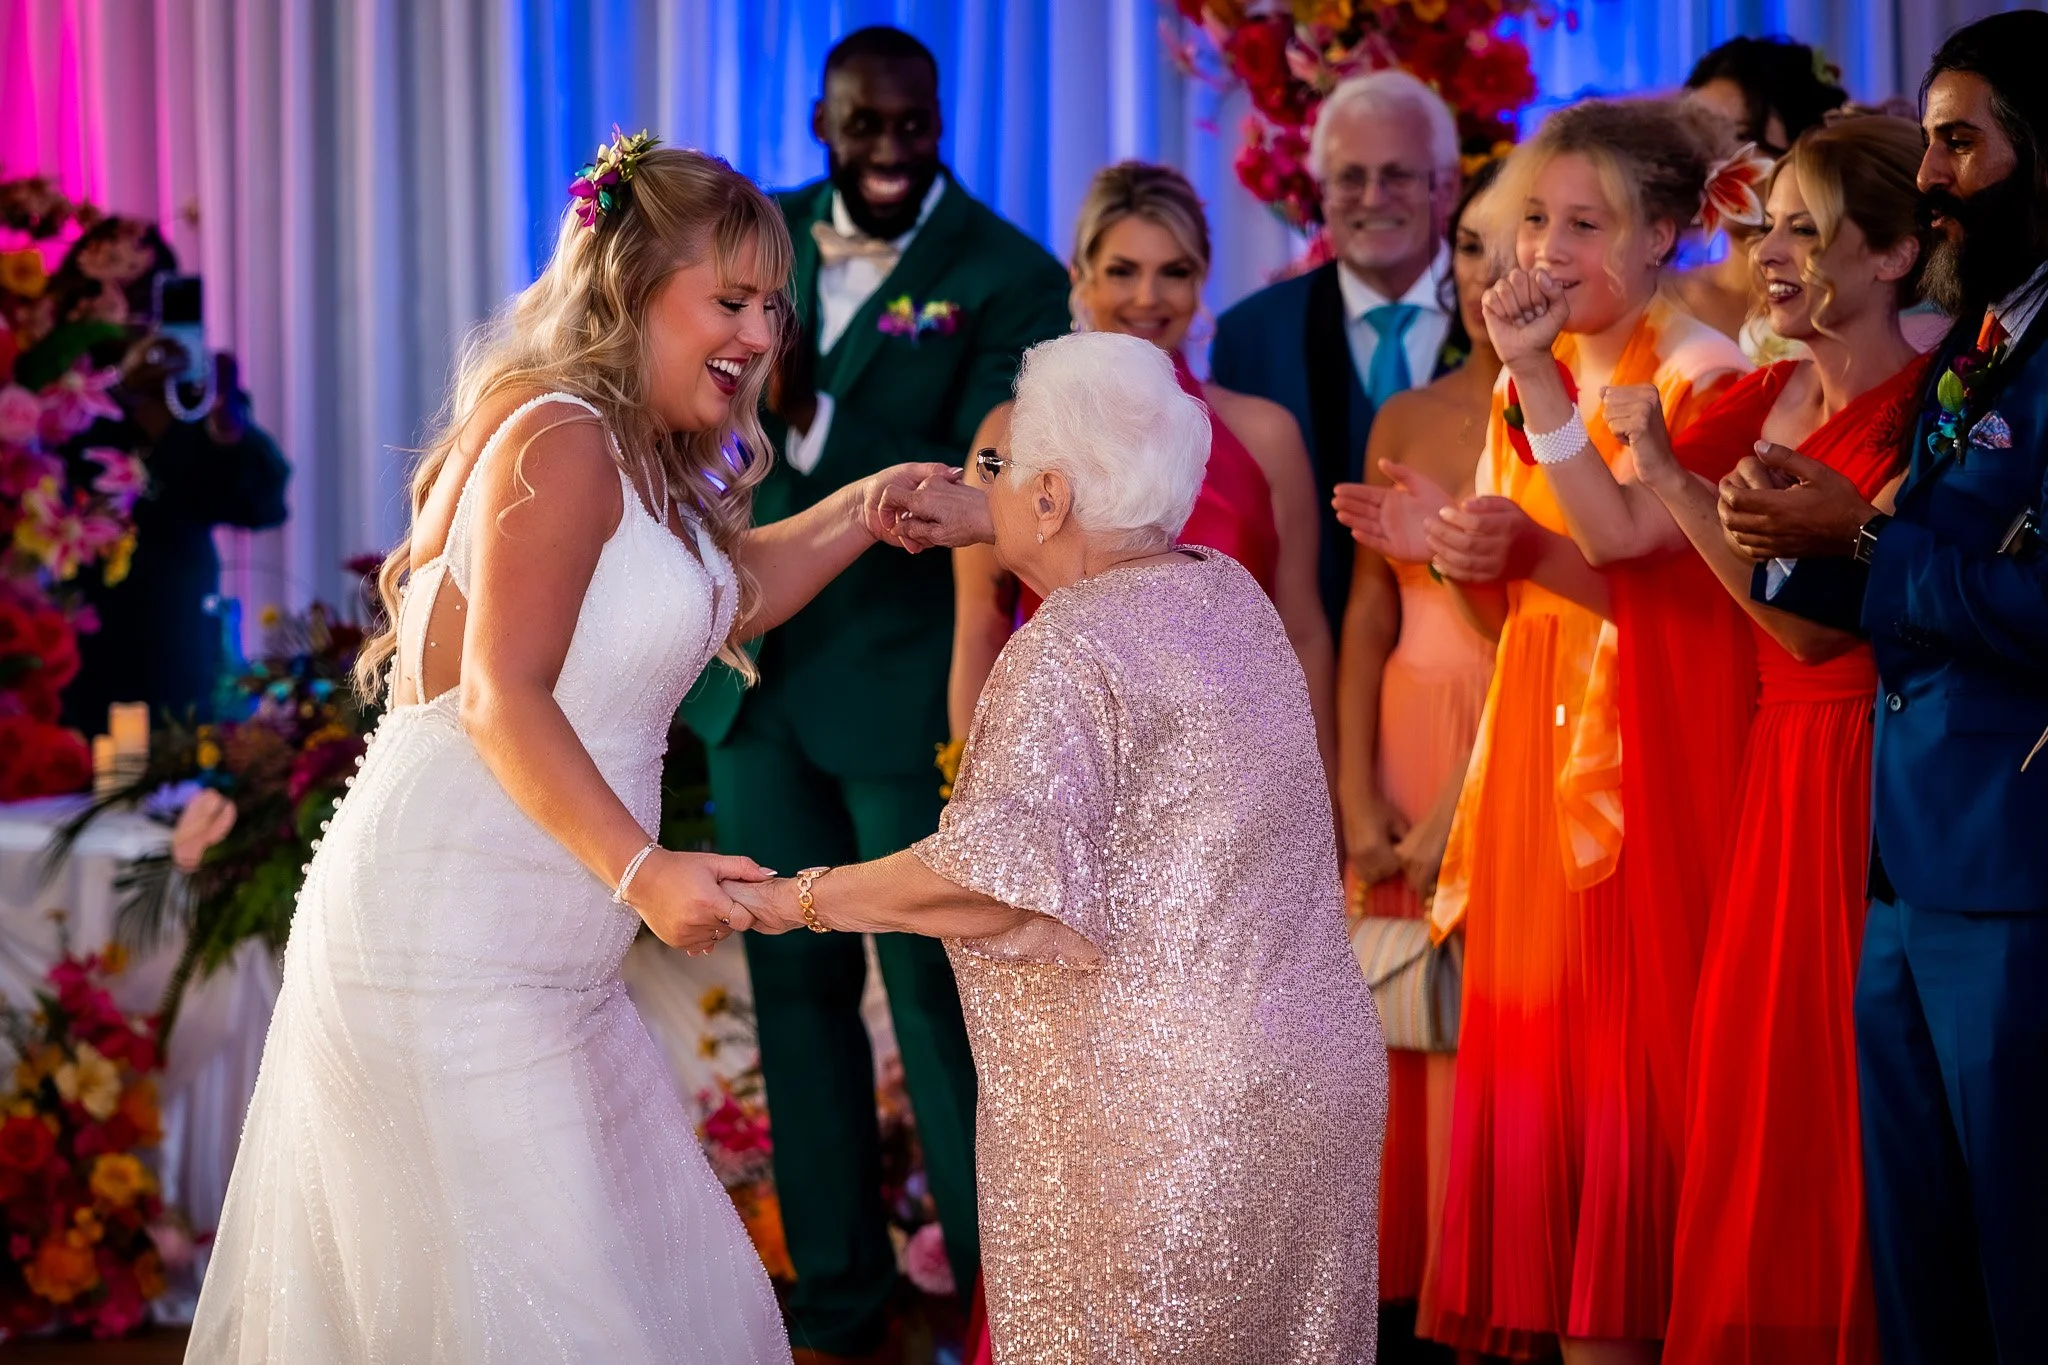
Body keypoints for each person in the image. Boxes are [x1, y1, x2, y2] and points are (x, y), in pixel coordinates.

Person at [187, 138, 982, 1362]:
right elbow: (503, 696)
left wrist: (859, 510)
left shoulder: (640, 457)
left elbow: (730, 590)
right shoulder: (559, 435)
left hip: (551, 970)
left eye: (774, 305)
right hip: (445, 951)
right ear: (626, 288)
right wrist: (644, 871)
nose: (763, 334)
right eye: (729, 300)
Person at [729, 330, 1387, 1364]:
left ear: (1049, 498)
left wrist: (792, 897)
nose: (979, 480)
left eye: (996, 465)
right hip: (1310, 1074)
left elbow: (993, 883)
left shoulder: (1067, 648)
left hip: (1169, 1111)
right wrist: (993, 502)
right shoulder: (1222, 589)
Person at [676, 29, 1069, 1361]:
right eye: (864, 125)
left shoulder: (1009, 273)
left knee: (935, 1001)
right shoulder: (756, 237)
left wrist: (834, 438)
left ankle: (997, 1313)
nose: (891, 151)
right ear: (821, 119)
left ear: (943, 118)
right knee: (791, 993)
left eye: (914, 125)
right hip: (752, 681)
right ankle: (834, 1303)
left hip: (903, 686)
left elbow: (975, 480)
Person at [1336, 97, 1749, 1363]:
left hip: (1641, 762)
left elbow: (1647, 580)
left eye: (1585, 222)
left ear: (1667, 232)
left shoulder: (1702, 375)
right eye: (1532, 220)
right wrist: (1447, 554)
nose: (1548, 248)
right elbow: (1519, 593)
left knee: (1634, 1101)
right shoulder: (1551, 374)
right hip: (1530, 744)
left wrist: (1523, 530)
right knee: (1546, 1110)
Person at [1716, 15, 2048, 1361]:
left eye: (1960, 143)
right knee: (1923, 1266)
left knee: (2022, 1257)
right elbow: (1885, 575)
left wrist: (1858, 538)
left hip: (2015, 864)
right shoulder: (1984, 336)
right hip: (1900, 861)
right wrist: (1792, 536)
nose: (1931, 176)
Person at [1589, 114, 1927, 1365]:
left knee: (1839, 1088)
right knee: (1760, 1094)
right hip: (1767, 770)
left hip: (1853, 766)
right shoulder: (1769, 389)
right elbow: (1610, 535)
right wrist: (1542, 386)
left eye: (1807, 227)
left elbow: (1812, 638)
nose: (1771, 253)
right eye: (1766, 225)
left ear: (1892, 253)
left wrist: (1675, 479)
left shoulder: (1919, 410)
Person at [948, 162, 1335, 777]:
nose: (1148, 298)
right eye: (1123, 272)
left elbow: (1302, 635)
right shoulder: (1008, 435)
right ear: (1081, 275)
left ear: (1201, 279)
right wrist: (978, 800)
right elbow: (980, 631)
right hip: (1068, 773)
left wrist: (1318, 805)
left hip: (1235, 783)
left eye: (1173, 272)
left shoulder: (1266, 436)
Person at [1331, 158, 1500, 1357]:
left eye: (1525, 242)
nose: (1498, 273)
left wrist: (1458, 806)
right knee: (1387, 1015)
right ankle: (1388, 1297)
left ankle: (1489, 1282)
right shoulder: (1407, 412)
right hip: (1393, 728)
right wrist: (1348, 784)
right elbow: (1362, 615)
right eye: (1481, 249)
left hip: (1509, 732)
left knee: (1488, 1011)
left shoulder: (1580, 415)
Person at [1212, 69, 1465, 634]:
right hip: (1305, 669)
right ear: (1322, 193)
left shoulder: (1507, 323)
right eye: (1350, 178)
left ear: (1446, 187)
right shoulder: (1249, 337)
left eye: (1398, 175)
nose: (1373, 199)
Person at [61, 344, 289, 729]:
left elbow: (262, 505)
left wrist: (224, 431)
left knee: (177, 758)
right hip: (81, 637)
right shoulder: (74, 385)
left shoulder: (194, 400)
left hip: (174, 633)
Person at [1678, 36, 1849, 345]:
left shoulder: (1843, 304)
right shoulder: (1660, 298)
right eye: (1699, 136)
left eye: (1741, 135)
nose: (1715, 161)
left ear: (1807, 145)